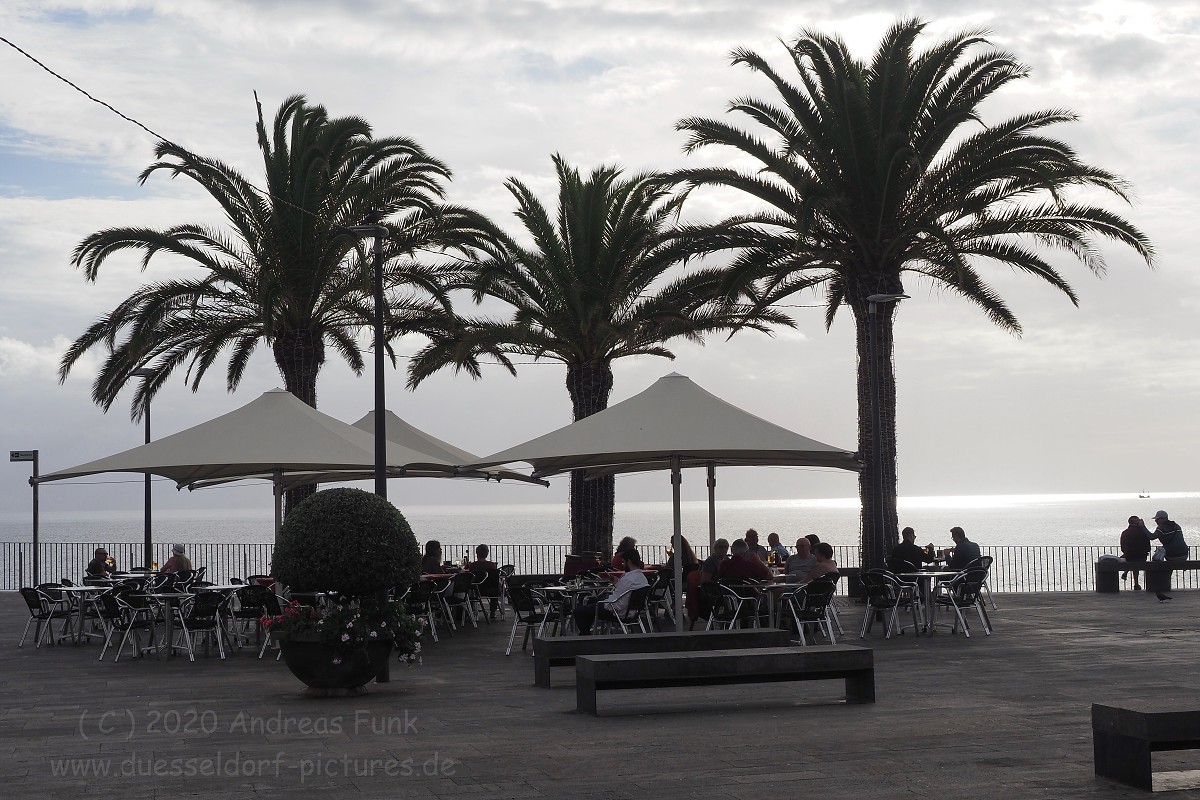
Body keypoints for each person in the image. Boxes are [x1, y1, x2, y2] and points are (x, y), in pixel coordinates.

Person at [572, 549, 649, 635]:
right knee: (591, 602)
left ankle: (585, 635)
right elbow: (626, 592)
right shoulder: (642, 578)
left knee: (578, 611)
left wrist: (602, 602)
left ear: (629, 561)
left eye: (623, 562)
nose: (623, 565)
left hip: (617, 611)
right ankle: (587, 633)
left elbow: (614, 600)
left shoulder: (628, 579)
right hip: (632, 611)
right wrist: (617, 583)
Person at [1120, 516, 1152, 589]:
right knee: (1136, 560)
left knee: (1127, 558)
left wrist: (1126, 552)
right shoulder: (1143, 532)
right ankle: (1136, 583)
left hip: (1129, 557)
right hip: (1142, 556)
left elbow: (1122, 547)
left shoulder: (1125, 533)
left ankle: (1126, 572)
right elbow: (1148, 547)